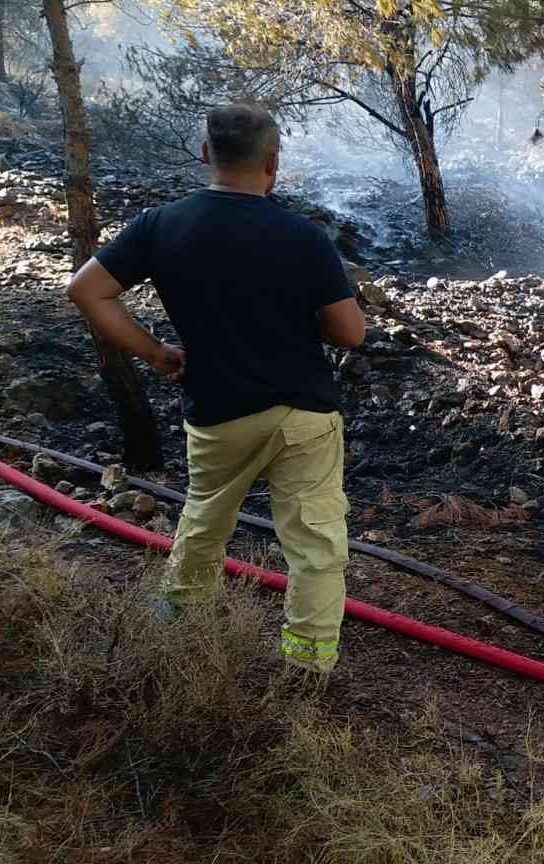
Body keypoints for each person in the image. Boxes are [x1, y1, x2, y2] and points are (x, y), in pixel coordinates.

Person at [66, 103, 365, 675]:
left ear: (206, 154)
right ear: (273, 162)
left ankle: (179, 628)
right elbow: (350, 332)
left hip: (217, 409)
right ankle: (307, 665)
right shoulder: (303, 236)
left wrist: (155, 353)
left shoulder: (160, 225)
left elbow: (86, 291)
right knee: (316, 544)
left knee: (204, 523)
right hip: (303, 412)